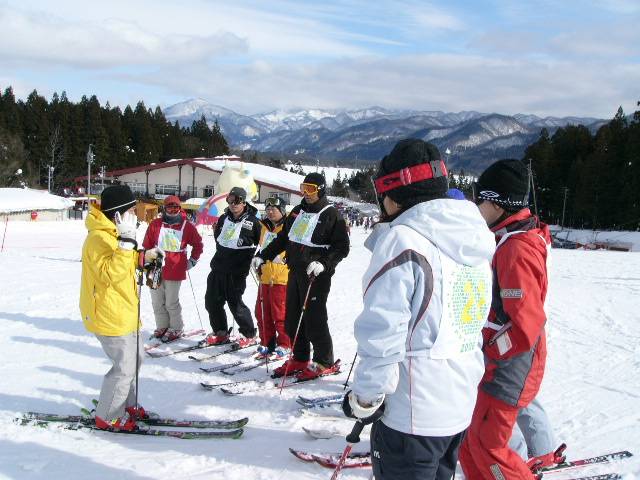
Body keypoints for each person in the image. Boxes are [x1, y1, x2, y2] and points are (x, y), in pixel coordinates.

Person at [340, 139, 495, 480]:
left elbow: (383, 331)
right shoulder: (473, 235)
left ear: (394, 196)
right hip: (457, 403)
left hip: (412, 413)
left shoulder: (404, 239)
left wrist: (366, 398)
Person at [459, 159, 552, 480]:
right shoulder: (507, 239)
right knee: (469, 443)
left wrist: (487, 351)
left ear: (498, 205)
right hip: (500, 362)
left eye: (480, 200)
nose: (476, 207)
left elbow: (525, 326)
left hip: (510, 366)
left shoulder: (516, 249)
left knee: (489, 447)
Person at [252, 172, 350, 380]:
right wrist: (263, 255)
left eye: (311, 189)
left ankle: (324, 361)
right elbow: (282, 239)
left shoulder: (331, 214)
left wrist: (324, 263)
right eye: (303, 188)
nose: (306, 193)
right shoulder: (297, 211)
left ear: (321, 190)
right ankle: (300, 357)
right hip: (295, 271)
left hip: (316, 275)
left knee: (314, 319)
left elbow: (342, 247)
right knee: (292, 319)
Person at [80, 185, 159, 431]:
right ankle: (109, 415)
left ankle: (126, 403)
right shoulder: (97, 238)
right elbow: (109, 274)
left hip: (125, 309)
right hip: (108, 312)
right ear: (117, 213)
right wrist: (126, 245)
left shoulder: (114, 233)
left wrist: (142, 257)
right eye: (130, 210)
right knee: (124, 367)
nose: (134, 215)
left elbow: (123, 261)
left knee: (135, 360)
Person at [203, 186, 261, 347]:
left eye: (237, 201)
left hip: (237, 271)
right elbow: (218, 238)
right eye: (230, 200)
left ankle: (249, 334)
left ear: (244, 202)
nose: (233, 204)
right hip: (218, 267)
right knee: (212, 301)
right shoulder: (224, 218)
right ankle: (220, 332)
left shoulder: (253, 221)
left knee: (235, 303)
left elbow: (261, 242)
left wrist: (254, 256)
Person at [142, 195, 203, 341]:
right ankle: (162, 326)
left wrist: (192, 260)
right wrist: (146, 262)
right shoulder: (155, 224)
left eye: (176, 207)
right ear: (164, 208)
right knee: (157, 300)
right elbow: (147, 245)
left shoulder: (187, 226)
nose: (173, 210)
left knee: (171, 302)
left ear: (180, 208)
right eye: (170, 207)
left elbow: (198, 244)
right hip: (154, 266)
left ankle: (176, 328)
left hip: (175, 267)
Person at [254, 196, 291, 357]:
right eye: (267, 209)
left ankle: (285, 343)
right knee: (262, 313)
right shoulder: (264, 227)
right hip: (265, 277)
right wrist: (257, 257)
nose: (270, 212)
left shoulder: (288, 226)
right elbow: (262, 247)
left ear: (282, 210)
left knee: (280, 314)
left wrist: (282, 257)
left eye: (273, 209)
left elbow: (294, 247)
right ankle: (267, 342)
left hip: (281, 278)